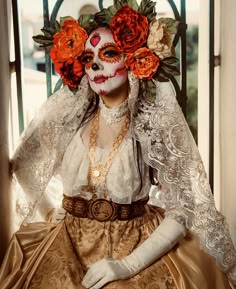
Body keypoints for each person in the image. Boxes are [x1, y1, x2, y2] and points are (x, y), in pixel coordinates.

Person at [0, 1, 236, 288]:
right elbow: (23, 164)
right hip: (68, 243)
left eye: (109, 53)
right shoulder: (71, 121)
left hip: (135, 243)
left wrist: (127, 265)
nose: (96, 64)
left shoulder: (151, 126)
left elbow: (182, 209)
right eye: (88, 58)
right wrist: (50, 211)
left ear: (134, 60)